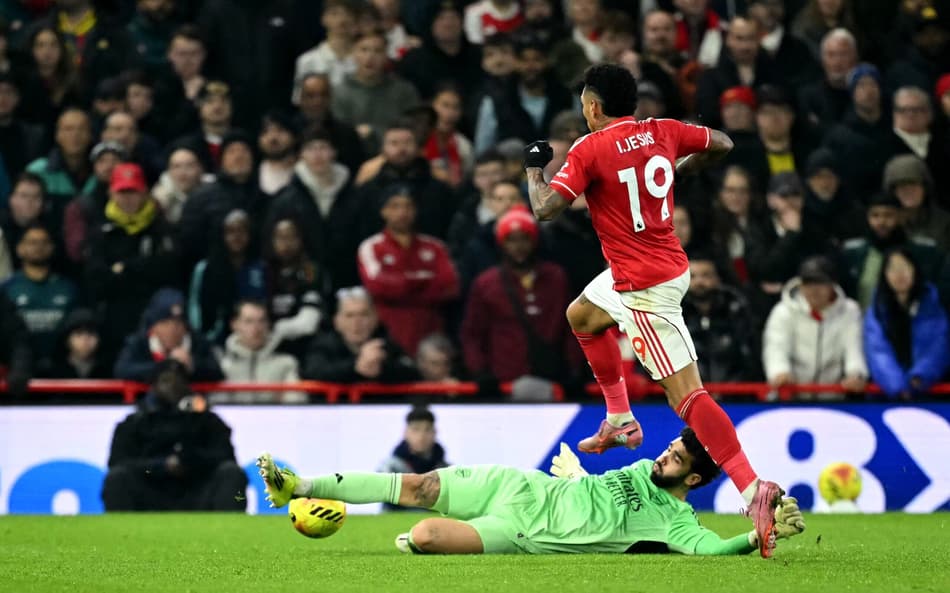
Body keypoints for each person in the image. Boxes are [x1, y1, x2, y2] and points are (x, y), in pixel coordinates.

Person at [521, 63, 782, 556]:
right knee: (582, 316)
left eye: (584, 103)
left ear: (593, 106)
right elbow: (722, 143)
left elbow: (545, 208)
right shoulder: (662, 130)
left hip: (643, 287)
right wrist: (676, 170)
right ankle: (620, 418)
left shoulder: (589, 148)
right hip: (658, 265)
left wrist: (535, 168)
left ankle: (753, 491)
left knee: (687, 396)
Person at [257, 426, 805, 555]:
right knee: (419, 486)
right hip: (519, 486)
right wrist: (581, 478)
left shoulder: (675, 523)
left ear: (693, 481)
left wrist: (754, 536)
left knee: (423, 535)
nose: (663, 457)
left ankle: (415, 545)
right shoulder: (645, 468)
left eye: (676, 460)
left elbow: (711, 549)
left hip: (522, 532)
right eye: (669, 449)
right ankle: (297, 485)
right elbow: (600, 492)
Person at [102, 358, 247, 512]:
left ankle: (229, 525)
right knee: (117, 478)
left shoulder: (207, 421)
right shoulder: (135, 423)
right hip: (150, 490)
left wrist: (189, 462)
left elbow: (225, 457)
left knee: (231, 473)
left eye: (179, 380)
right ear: (154, 385)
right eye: (166, 380)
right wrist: (162, 466)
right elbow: (118, 462)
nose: (173, 386)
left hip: (198, 489)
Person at [762, 256, 868, 400]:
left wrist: (856, 374)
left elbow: (854, 348)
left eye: (821, 283)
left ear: (833, 284)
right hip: (791, 398)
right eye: (808, 283)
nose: (814, 289)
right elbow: (776, 347)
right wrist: (780, 372)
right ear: (800, 285)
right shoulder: (783, 311)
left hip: (834, 400)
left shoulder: (849, 311)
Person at [863, 247, 950, 400]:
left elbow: (939, 347)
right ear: (884, 274)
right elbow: (878, 351)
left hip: (930, 393)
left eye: (904, 267)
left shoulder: (933, 305)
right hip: (886, 396)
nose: (899, 274)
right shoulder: (876, 310)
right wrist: (898, 387)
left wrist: (919, 377)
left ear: (914, 270)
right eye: (893, 269)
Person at [301, 286, 418, 384]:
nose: (357, 322)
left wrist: (382, 368)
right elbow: (312, 372)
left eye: (364, 315)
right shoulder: (323, 346)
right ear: (337, 322)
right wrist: (355, 367)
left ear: (375, 319)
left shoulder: (386, 344)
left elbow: (413, 372)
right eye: (349, 316)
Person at [114, 287, 223, 384]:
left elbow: (217, 372)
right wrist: (165, 366)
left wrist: (191, 365)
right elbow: (122, 371)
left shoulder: (198, 342)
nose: (172, 330)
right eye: (165, 323)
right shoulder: (139, 343)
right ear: (153, 327)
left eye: (178, 323)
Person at [217, 300, 305, 405]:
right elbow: (216, 404)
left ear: (268, 324)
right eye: (248, 321)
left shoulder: (286, 363)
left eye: (262, 321)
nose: (256, 328)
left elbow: (295, 403)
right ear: (234, 324)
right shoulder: (222, 364)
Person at [378, 405, 449, 510]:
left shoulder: (446, 470)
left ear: (434, 433)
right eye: (416, 429)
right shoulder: (390, 468)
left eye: (427, 430)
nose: (421, 436)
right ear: (406, 433)